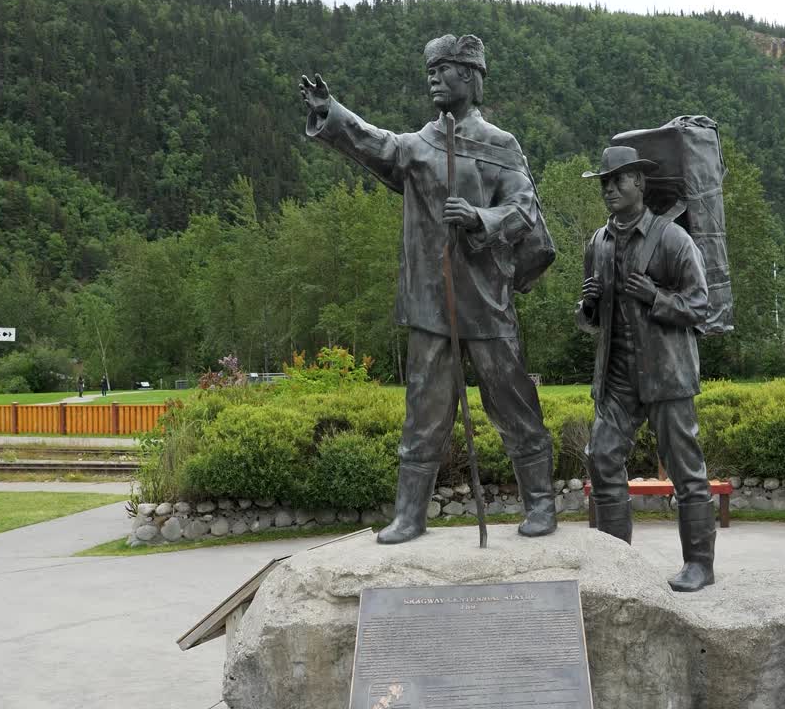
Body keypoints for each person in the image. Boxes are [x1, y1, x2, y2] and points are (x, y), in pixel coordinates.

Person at [300, 34, 557, 544]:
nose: (434, 78)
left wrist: (480, 216)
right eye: (430, 71)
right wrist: (333, 113)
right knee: (424, 409)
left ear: (470, 75)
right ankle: (411, 515)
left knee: (512, 402)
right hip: (432, 305)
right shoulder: (419, 145)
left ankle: (542, 504)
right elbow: (377, 144)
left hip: (485, 300)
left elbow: (526, 209)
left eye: (444, 69)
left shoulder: (501, 145)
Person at [576, 146, 716, 592]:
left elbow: (701, 304)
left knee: (684, 467)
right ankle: (615, 563)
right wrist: (589, 305)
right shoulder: (597, 243)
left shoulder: (673, 239)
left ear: (641, 183)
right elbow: (588, 320)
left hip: (666, 373)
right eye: (604, 182)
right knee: (601, 457)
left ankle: (699, 564)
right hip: (616, 376)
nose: (610, 188)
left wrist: (656, 296)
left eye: (618, 180)